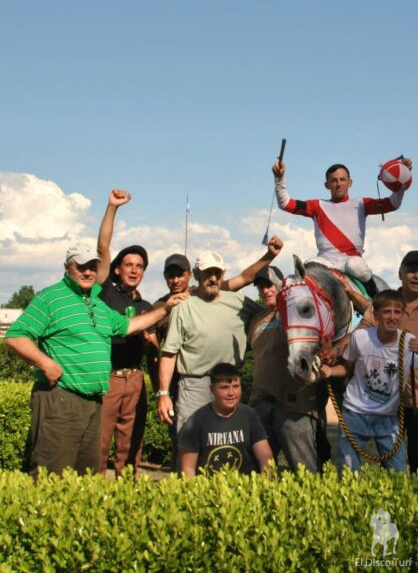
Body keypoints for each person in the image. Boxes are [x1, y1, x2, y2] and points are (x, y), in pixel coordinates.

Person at [5, 242, 186, 476]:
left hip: (93, 401)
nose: (88, 272)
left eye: (92, 266)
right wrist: (46, 364)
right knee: (53, 471)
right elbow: (16, 336)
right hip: (61, 396)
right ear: (67, 267)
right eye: (81, 267)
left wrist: (165, 309)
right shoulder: (50, 297)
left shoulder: (96, 303)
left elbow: (127, 325)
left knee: (86, 474)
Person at [156, 239, 283, 437]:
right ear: (196, 275)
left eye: (217, 273)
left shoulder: (239, 301)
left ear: (223, 274)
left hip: (229, 384)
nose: (213, 278)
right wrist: (163, 394)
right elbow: (169, 354)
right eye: (208, 273)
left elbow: (265, 317)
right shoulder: (183, 305)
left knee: (226, 443)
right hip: (194, 385)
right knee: (190, 443)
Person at [358, 251, 418, 474]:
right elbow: (360, 334)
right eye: (412, 270)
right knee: (391, 467)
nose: (417, 276)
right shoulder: (384, 302)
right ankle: (392, 510)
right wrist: (335, 349)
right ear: (400, 273)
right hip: (388, 401)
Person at [272, 158, 412, 297]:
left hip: (351, 261)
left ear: (350, 183)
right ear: (326, 185)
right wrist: (279, 178)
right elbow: (286, 203)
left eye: (342, 179)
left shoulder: (362, 203)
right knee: (307, 267)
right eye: (334, 180)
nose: (339, 184)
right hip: (324, 261)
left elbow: (394, 203)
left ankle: (375, 300)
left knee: (356, 266)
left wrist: (403, 179)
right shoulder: (316, 205)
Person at [319, 290, 418, 473]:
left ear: (403, 315)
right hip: (355, 413)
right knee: (349, 474)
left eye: (397, 312)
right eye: (386, 312)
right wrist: (330, 371)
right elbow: (346, 368)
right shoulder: (360, 338)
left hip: (389, 417)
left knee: (398, 473)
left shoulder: (409, 343)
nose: (392, 317)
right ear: (376, 315)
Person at [94, 190, 158, 477]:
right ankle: (91, 489)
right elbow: (102, 249)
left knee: (131, 442)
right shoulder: (105, 290)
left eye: (140, 266)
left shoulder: (146, 307)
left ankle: (126, 491)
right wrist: (112, 208)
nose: (134, 270)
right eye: (129, 265)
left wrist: (151, 345)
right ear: (117, 270)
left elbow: (153, 352)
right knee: (99, 442)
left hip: (134, 379)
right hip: (107, 377)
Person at [248, 264, 329, 473]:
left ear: (280, 285)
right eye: (260, 287)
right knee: (259, 473)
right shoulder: (255, 320)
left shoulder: (298, 312)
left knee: (305, 473)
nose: (265, 290)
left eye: (269, 285)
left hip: (295, 405)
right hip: (260, 403)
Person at [177, 363, 274, 476]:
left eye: (236, 386)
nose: (231, 393)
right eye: (224, 387)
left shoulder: (249, 415)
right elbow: (188, 468)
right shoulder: (196, 421)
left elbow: (265, 456)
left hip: (246, 486)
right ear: (212, 390)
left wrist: (265, 484)